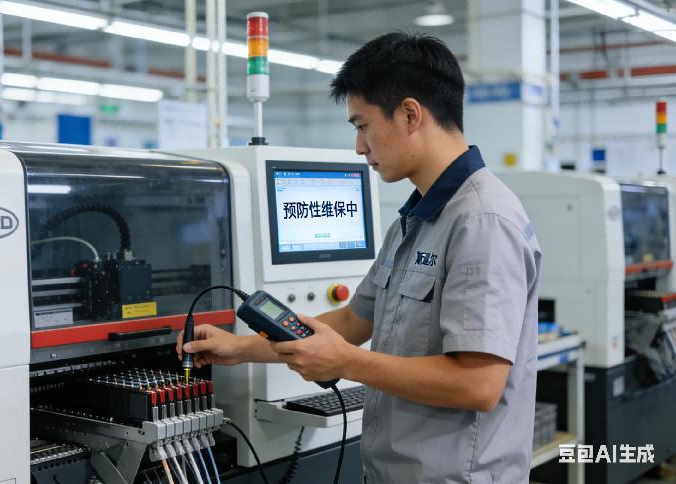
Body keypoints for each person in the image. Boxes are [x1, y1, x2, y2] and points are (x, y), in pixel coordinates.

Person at [177, 32, 541, 483]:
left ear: (410, 114)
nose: (359, 147)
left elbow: (478, 384)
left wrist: (347, 363)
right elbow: (353, 320)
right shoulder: (415, 220)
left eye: (363, 125)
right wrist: (240, 348)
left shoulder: (482, 222)